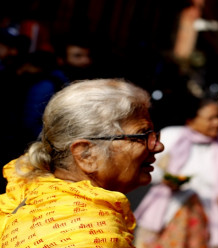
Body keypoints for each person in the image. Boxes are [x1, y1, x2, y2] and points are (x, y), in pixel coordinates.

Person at [0, 78, 164, 247]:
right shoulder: (94, 238)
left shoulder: (36, 191)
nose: (158, 146)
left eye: (154, 134)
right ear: (86, 154)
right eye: (143, 136)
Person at [134, 97, 218, 248]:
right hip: (166, 215)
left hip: (210, 221)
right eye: (211, 118)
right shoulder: (172, 136)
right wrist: (165, 178)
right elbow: (145, 166)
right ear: (191, 120)